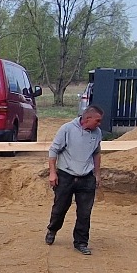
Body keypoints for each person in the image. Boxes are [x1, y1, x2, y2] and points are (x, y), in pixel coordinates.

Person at [44, 100, 104, 253]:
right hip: (66, 176)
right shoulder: (67, 129)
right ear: (87, 118)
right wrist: (52, 173)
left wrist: (97, 174)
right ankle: (52, 229)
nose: (99, 124)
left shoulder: (97, 133)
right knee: (59, 209)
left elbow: (96, 153)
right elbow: (53, 151)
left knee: (85, 213)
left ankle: (81, 243)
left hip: (86, 178)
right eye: (97, 120)